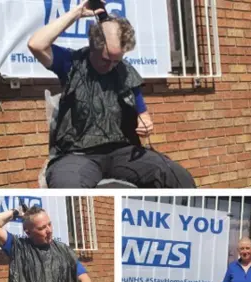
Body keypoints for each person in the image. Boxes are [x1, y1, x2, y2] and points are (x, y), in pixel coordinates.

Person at [27, 0, 196, 188]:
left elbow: (143, 114)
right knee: (67, 185)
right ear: (93, 46)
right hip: (77, 155)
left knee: (176, 176)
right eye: (106, 60)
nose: (111, 66)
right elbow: (36, 44)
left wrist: (145, 123)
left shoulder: (125, 72)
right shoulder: (71, 64)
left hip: (121, 152)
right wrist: (76, 13)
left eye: (117, 61)